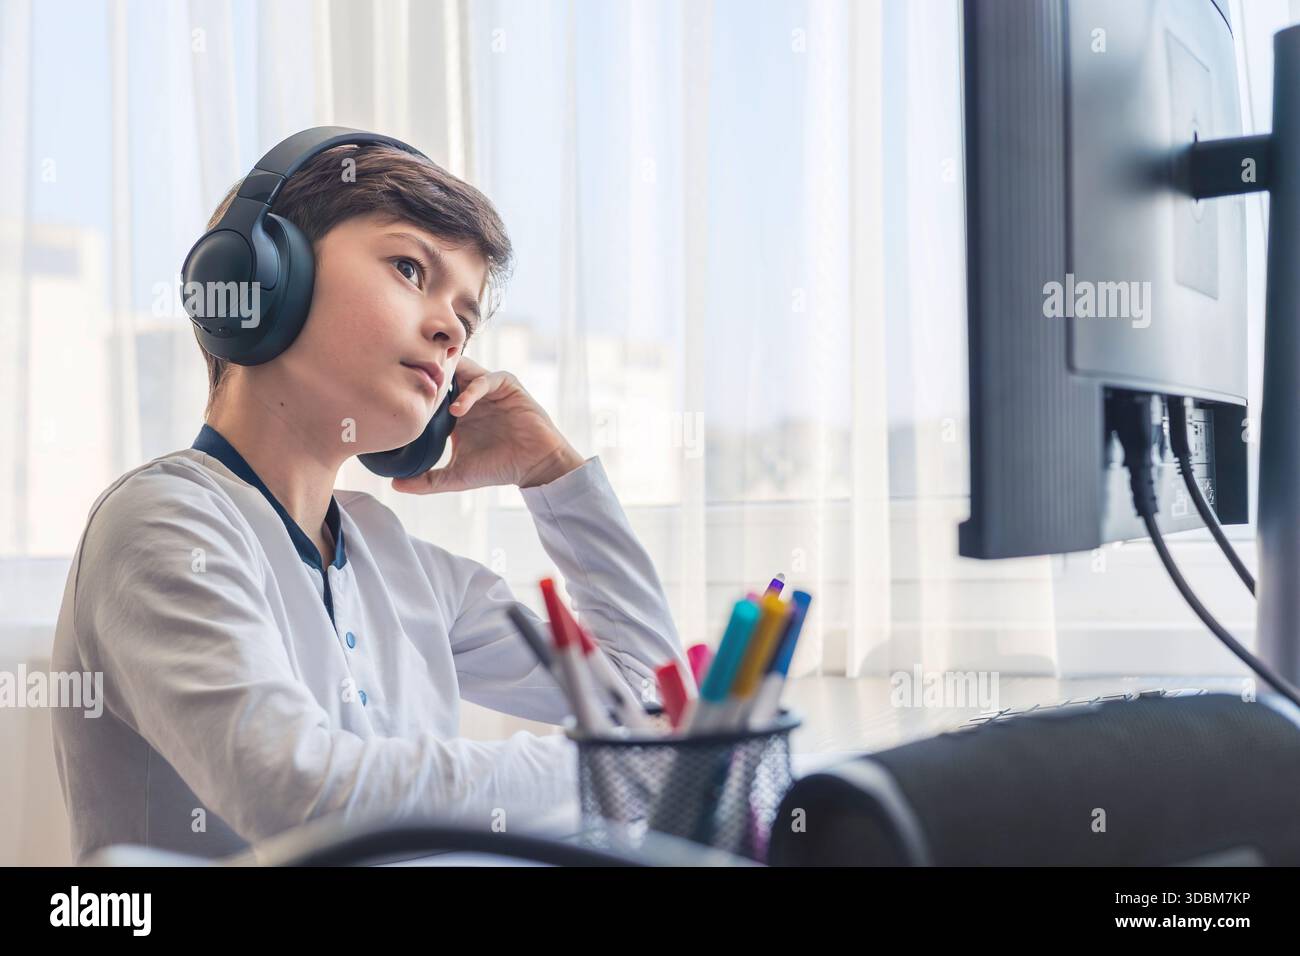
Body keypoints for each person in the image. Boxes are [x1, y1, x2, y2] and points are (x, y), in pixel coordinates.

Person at [50, 138, 686, 863]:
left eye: (467, 319)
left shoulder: (394, 557)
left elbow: (649, 701)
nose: (450, 330)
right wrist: (612, 770)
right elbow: (297, 793)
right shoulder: (163, 525)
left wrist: (554, 473)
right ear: (262, 277)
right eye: (411, 269)